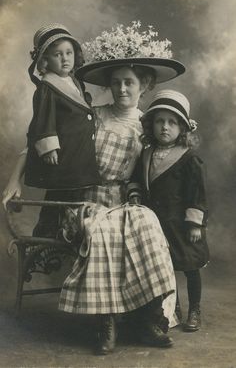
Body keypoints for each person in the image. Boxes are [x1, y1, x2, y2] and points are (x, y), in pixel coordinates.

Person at [3, 22, 185, 354]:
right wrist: (14, 179)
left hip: (122, 198)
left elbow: (166, 165)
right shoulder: (92, 115)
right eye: (115, 84)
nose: (122, 90)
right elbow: (37, 140)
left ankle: (148, 317)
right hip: (84, 198)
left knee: (146, 223)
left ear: (142, 85)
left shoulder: (148, 125)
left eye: (129, 83)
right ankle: (107, 321)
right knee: (102, 230)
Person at [136, 89, 209, 332]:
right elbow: (138, 180)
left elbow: (196, 193)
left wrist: (195, 223)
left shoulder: (189, 159)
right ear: (151, 125)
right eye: (159, 121)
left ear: (182, 128)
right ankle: (173, 308)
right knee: (166, 268)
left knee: (189, 267)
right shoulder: (146, 154)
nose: (164, 127)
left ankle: (195, 309)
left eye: (171, 122)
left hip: (183, 225)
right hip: (158, 224)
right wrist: (134, 193)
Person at [25, 23, 100, 237]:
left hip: (78, 151)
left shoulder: (74, 82)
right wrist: (48, 146)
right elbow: (43, 117)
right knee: (59, 196)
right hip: (64, 153)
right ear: (45, 60)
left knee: (74, 194)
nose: (65, 59)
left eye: (69, 53)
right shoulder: (48, 86)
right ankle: (44, 235)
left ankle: (69, 232)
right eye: (58, 55)